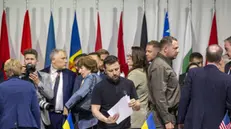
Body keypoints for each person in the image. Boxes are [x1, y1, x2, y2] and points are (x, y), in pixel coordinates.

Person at [178, 44, 231, 129]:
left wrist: (180, 120)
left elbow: (185, 98)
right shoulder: (227, 79)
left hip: (193, 123)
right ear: (220, 59)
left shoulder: (193, 73)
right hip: (216, 125)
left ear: (206, 57)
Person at [91, 55, 141, 129]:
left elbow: (138, 106)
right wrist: (106, 120)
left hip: (125, 127)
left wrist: (135, 104)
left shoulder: (128, 83)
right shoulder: (99, 87)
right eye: (110, 71)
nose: (114, 73)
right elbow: (94, 110)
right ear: (104, 70)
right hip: (105, 127)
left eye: (117, 69)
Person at [147, 36, 180, 129]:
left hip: (165, 115)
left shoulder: (164, 64)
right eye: (175, 48)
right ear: (165, 49)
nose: (178, 51)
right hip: (161, 118)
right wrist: (167, 120)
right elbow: (159, 95)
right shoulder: (159, 66)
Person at [0, 59, 40, 129]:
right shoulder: (29, 86)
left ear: (6, 72)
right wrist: (38, 126)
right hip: (27, 124)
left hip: (6, 125)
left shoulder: (1, 87)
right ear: (20, 70)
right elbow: (35, 109)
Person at [41, 49, 76, 129]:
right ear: (53, 60)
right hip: (47, 116)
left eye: (66, 58)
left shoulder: (71, 75)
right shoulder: (42, 74)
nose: (66, 61)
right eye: (63, 58)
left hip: (64, 116)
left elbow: (74, 94)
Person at [65, 56, 102, 129]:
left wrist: (67, 106)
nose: (79, 71)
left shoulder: (91, 77)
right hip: (92, 117)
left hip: (86, 117)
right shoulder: (98, 78)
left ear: (89, 67)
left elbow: (80, 93)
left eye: (81, 68)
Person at [23, 49, 54, 129]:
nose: (29, 61)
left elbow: (50, 95)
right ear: (24, 61)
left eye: (32, 59)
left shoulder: (45, 76)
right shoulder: (19, 77)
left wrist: (38, 82)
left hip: (40, 115)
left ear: (36, 61)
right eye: (27, 59)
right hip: (24, 114)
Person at [127, 46, 148, 128]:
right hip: (140, 114)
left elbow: (124, 92)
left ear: (137, 57)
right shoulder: (142, 71)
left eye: (130, 56)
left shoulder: (135, 73)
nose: (127, 58)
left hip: (134, 116)